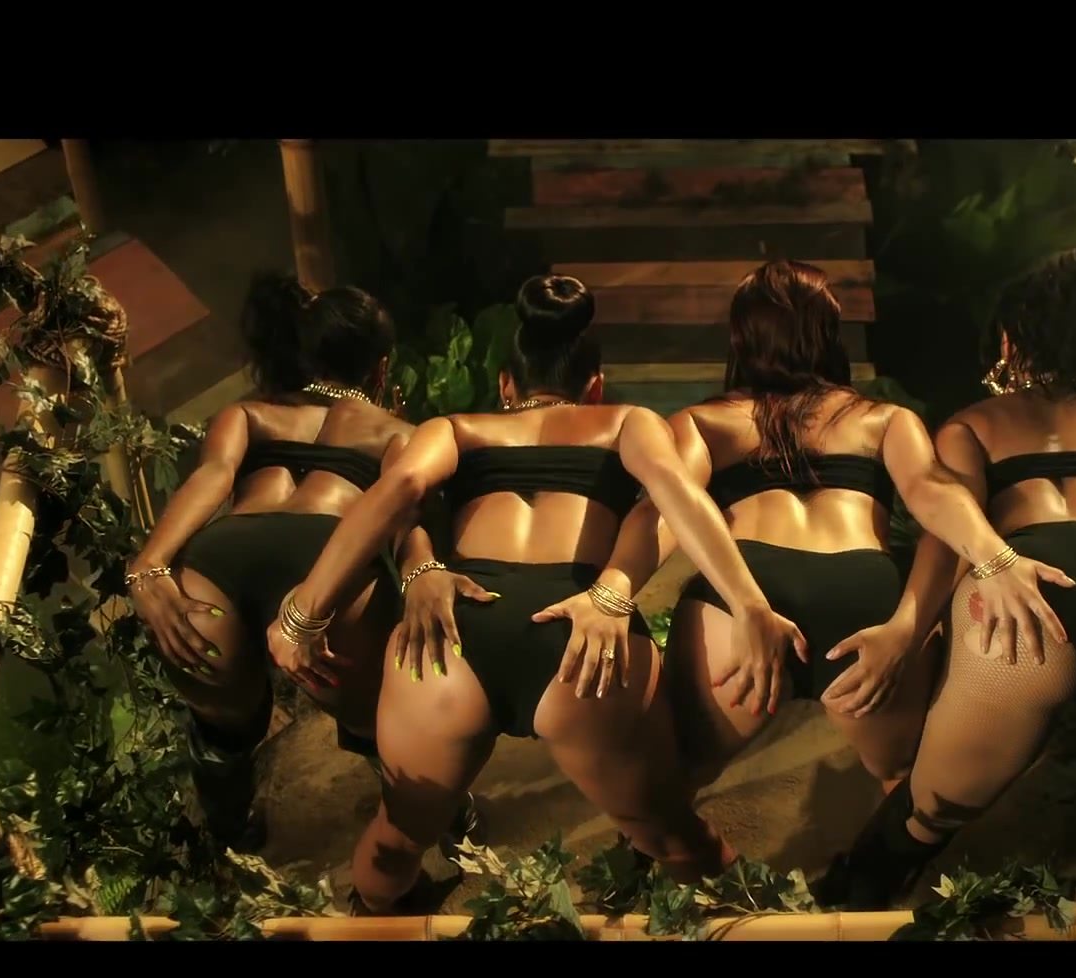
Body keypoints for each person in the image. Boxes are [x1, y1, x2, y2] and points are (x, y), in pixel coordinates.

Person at [269, 274, 807, 915]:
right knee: (670, 833)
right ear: (594, 385)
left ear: (506, 385)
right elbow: (675, 494)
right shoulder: (626, 421)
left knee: (398, 836)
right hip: (581, 631)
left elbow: (399, 491)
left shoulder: (454, 427)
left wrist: (303, 612)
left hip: (456, 632)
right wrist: (748, 604)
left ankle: (379, 919)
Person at [814, 248, 1076, 909]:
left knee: (934, 805)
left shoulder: (973, 425)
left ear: (1015, 338)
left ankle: (844, 905)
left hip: (1020, 591)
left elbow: (948, 538)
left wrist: (906, 630)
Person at [584, 259, 1075, 797]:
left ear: (741, 336)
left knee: (678, 778)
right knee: (904, 779)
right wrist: (974, 572)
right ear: (829, 333)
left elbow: (662, 510)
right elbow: (933, 493)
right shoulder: (884, 419)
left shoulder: (704, 421)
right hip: (862, 594)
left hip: (743, 592)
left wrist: (613, 590)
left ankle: (664, 852)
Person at [123, 274, 474, 851]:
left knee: (223, 731)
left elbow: (212, 478)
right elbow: (402, 515)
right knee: (381, 725)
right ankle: (455, 834)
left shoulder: (247, 413)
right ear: (381, 367)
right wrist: (420, 570)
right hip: (325, 563)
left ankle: (230, 845)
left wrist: (150, 565)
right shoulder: (399, 434)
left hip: (218, 561)